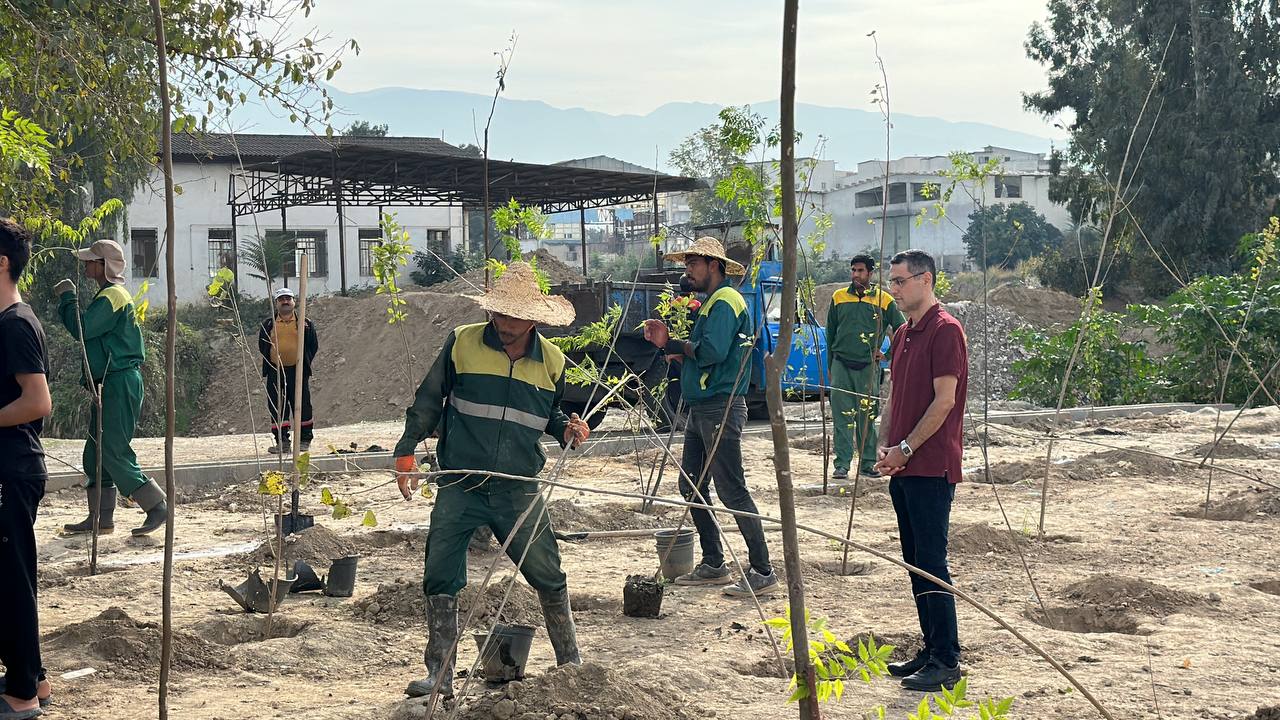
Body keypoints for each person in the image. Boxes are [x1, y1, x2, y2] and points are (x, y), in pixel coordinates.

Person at [392, 262, 591, 699]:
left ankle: (569, 663)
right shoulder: (463, 343)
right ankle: (440, 674)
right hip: (460, 483)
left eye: (513, 317)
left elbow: (551, 416)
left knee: (548, 573)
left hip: (517, 488)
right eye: (499, 314)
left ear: (534, 319)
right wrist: (406, 447)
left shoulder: (553, 362)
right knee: (440, 574)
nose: (502, 324)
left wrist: (567, 431)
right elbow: (429, 399)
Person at [642, 236, 777, 598]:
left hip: (720, 406)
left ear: (713, 265)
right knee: (691, 485)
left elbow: (714, 352)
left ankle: (763, 570)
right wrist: (676, 350)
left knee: (732, 490)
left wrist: (673, 344)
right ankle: (714, 562)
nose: (688, 272)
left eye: (693, 265)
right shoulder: (712, 303)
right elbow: (708, 354)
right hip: (704, 406)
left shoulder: (726, 302)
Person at [874, 249, 968, 692]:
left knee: (931, 562)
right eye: (891, 281)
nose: (892, 289)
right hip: (902, 466)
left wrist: (907, 448)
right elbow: (894, 394)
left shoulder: (946, 331)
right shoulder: (902, 333)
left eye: (899, 281)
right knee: (915, 562)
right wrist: (883, 441)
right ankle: (930, 649)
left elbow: (944, 400)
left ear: (925, 280)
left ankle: (947, 659)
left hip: (930, 467)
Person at [55, 239, 167, 537]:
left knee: (113, 449)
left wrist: (67, 299)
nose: (86, 265)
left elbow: (83, 329)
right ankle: (101, 519)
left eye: (91, 261)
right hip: (109, 382)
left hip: (119, 381)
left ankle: (156, 505)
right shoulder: (108, 295)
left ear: (104, 265)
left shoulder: (113, 296)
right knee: (95, 453)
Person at [0, 218, 53, 719]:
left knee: (10, 580)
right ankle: (33, 679)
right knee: (14, 576)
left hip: (11, 468)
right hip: (12, 467)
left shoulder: (16, 323)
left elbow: (38, 401)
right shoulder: (11, 321)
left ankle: (19, 695)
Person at [825, 254, 905, 479]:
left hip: (869, 367)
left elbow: (902, 329)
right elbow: (830, 333)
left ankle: (868, 463)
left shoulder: (884, 299)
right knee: (841, 417)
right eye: (853, 270)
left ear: (870, 273)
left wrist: (887, 355)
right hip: (841, 364)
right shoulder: (838, 297)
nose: (856, 275)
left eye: (860, 270)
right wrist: (831, 365)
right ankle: (841, 465)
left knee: (866, 417)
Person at [257, 287, 318, 454]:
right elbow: (262, 346)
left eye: (288, 299)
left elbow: (313, 346)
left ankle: (305, 440)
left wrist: (301, 363)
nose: (285, 301)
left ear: (294, 302)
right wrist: (275, 361)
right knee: (277, 406)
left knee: (302, 405)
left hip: (298, 371)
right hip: (275, 372)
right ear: (276, 303)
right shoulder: (268, 324)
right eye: (281, 299)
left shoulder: (305, 323)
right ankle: (282, 442)